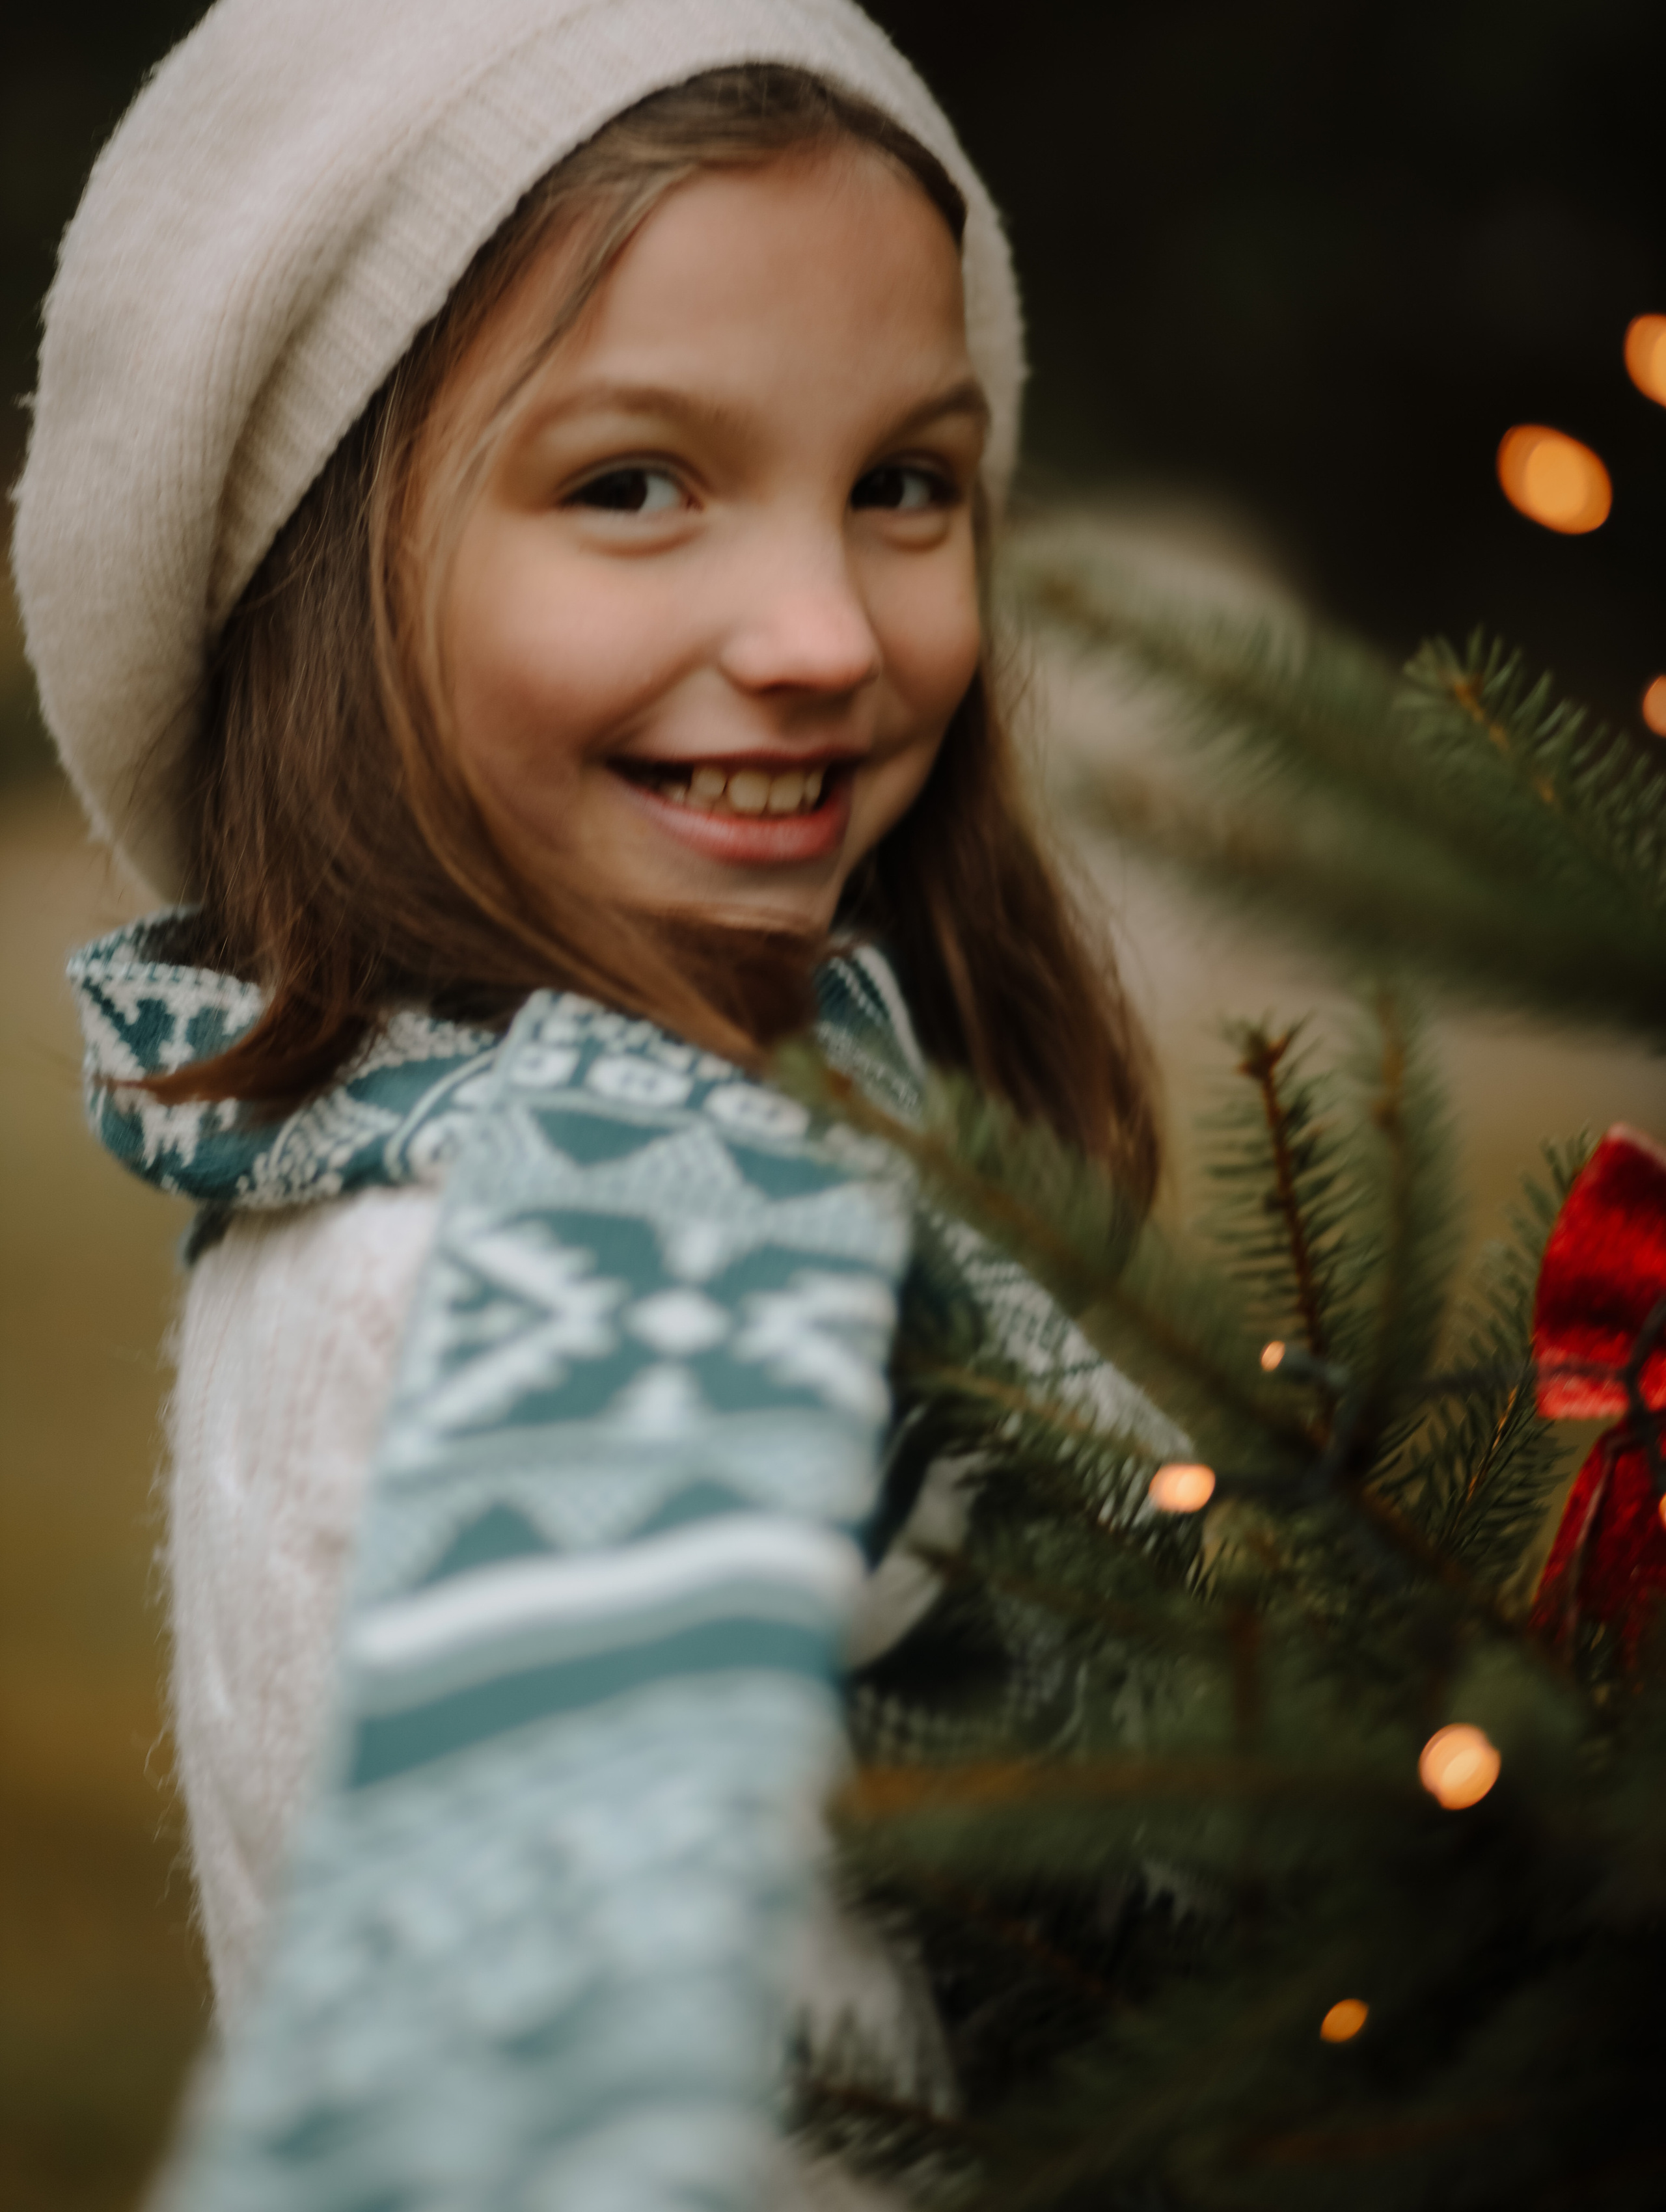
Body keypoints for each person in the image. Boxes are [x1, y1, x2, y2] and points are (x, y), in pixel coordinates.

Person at [14, 3, 1181, 2204]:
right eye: (635, 485)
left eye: (904, 485)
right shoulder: (582, 1249)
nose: (826, 629)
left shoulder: (666, 1124)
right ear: (320, 578)